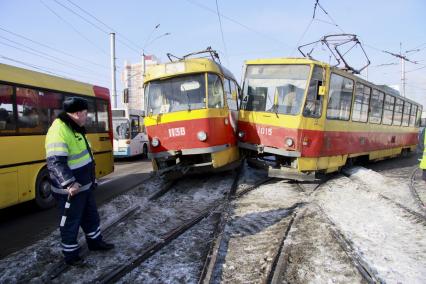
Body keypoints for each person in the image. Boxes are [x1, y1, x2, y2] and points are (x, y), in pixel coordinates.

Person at [45, 97, 114, 266]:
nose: (87, 117)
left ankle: (95, 243)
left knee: (91, 216)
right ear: (76, 113)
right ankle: (71, 255)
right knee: (70, 222)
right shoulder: (59, 130)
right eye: (85, 113)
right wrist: (69, 183)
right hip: (72, 190)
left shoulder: (75, 127)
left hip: (84, 186)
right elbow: (55, 162)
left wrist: (91, 179)